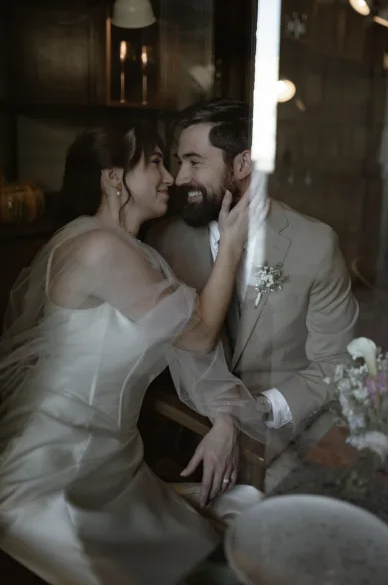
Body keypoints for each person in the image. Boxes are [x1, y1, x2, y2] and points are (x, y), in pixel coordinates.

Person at [0, 123, 267, 585]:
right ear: (114, 178)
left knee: (211, 547)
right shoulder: (100, 249)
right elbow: (200, 335)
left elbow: (189, 347)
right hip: (64, 471)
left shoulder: (130, 250)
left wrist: (223, 419)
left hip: (115, 461)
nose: (171, 177)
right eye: (156, 162)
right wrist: (234, 246)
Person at [146, 98, 360, 473]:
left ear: (243, 164)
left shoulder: (315, 243)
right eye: (180, 163)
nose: (180, 179)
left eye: (195, 163)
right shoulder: (164, 242)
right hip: (185, 432)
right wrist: (219, 418)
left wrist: (255, 410)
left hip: (290, 436)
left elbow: (335, 364)